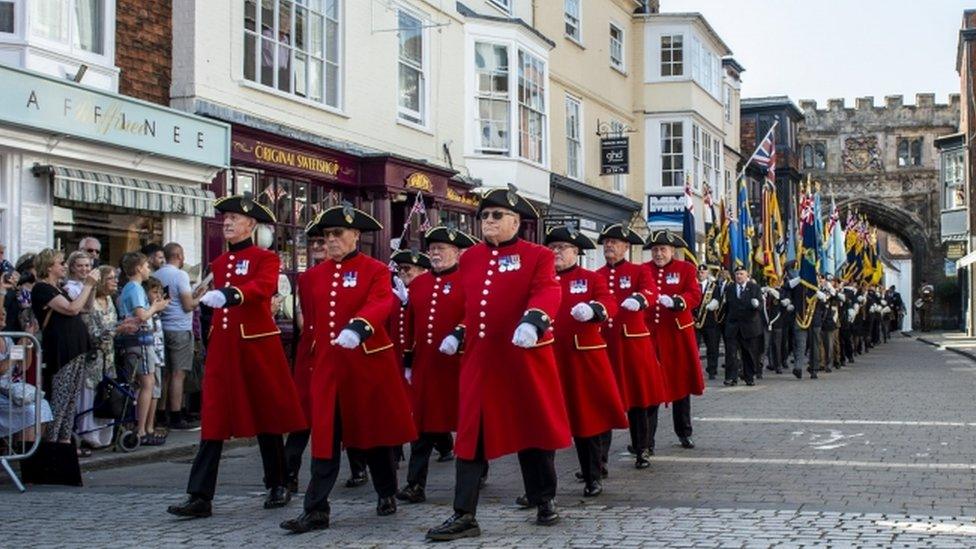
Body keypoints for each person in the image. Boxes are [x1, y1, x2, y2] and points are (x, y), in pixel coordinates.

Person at [426, 186, 571, 541]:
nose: (488, 221)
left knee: (532, 429)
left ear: (515, 222)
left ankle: (544, 498)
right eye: (484, 216)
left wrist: (533, 321)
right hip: (481, 359)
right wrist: (457, 333)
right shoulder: (471, 258)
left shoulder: (536, 255)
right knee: (471, 434)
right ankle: (464, 514)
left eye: (496, 215)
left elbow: (548, 290)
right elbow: (470, 306)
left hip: (522, 355)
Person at [167, 193, 306, 519]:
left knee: (267, 415)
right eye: (224, 218)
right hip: (224, 348)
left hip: (256, 346)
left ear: (251, 224)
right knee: (213, 418)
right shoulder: (219, 262)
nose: (227, 223)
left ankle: (279, 483)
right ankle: (199, 495)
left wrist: (231, 294)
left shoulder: (266, 258)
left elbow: (263, 287)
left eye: (234, 219)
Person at [280, 203, 417, 533]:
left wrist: (359, 326)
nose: (331, 240)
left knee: (373, 437)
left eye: (338, 234)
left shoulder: (375, 270)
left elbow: (383, 302)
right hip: (327, 369)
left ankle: (386, 492)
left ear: (355, 235)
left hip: (367, 367)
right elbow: (310, 327)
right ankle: (316, 509)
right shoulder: (311, 278)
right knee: (325, 438)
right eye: (327, 235)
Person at [395, 226, 477, 505]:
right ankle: (415, 484)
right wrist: (407, 359)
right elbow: (409, 325)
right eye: (432, 249)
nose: (435, 253)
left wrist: (460, 333)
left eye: (441, 249)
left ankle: (478, 472)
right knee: (421, 426)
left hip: (459, 363)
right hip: (427, 366)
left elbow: (475, 317)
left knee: (467, 422)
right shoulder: (418, 284)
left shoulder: (469, 281)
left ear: (456, 252)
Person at [545, 225, 627, 497]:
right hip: (547, 357)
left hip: (581, 358)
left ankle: (593, 476)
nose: (556, 252)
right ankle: (541, 488)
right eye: (553, 247)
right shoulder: (541, 278)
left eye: (562, 248)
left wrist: (594, 310)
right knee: (544, 424)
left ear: (575, 252)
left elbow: (609, 303)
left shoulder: (591, 278)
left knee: (586, 420)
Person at [596, 223, 668, 468]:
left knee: (639, 398)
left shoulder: (639, 272)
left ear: (626, 247)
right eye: (606, 242)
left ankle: (642, 447)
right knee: (604, 400)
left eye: (614, 242)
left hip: (633, 345)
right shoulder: (597, 275)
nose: (609, 246)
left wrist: (640, 299)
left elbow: (651, 291)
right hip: (606, 345)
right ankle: (599, 459)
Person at [31, 249, 100, 450]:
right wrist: (87, 284)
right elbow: (71, 309)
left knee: (71, 400)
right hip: (62, 349)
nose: (64, 266)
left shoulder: (60, 288)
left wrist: (92, 287)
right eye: (60, 262)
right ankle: (52, 445)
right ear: (49, 266)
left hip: (77, 347)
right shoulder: (42, 289)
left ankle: (65, 441)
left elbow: (85, 307)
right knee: (60, 398)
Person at [644, 230, 704, 450]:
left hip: (677, 335)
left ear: (672, 251)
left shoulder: (686, 269)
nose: (658, 254)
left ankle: (684, 431)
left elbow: (695, 295)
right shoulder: (644, 270)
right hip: (650, 335)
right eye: (655, 250)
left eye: (663, 249)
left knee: (681, 385)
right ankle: (646, 440)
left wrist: (678, 301)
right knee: (650, 386)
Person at [77, 266, 140, 448]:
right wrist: (117, 329)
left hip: (109, 356)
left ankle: (105, 436)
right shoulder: (91, 302)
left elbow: (111, 326)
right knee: (91, 395)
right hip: (93, 357)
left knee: (108, 395)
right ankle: (88, 436)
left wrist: (123, 325)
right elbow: (92, 333)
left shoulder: (109, 301)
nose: (115, 281)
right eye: (111, 278)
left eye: (115, 278)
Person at [283, 234, 327, 493]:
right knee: (301, 421)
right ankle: (289, 475)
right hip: (309, 357)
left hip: (337, 356)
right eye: (316, 242)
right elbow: (302, 318)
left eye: (324, 240)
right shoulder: (308, 278)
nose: (320, 246)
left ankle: (362, 469)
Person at [118, 253, 170, 447]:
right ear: (139, 268)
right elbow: (141, 316)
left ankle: (142, 428)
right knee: (147, 383)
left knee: (144, 384)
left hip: (136, 341)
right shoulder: (135, 288)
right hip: (139, 340)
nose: (149, 269)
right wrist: (156, 307)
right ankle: (141, 430)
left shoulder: (131, 288)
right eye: (147, 266)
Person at [155, 242, 204, 430]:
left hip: (162, 327)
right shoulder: (180, 274)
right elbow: (187, 305)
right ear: (179, 256)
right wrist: (199, 298)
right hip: (179, 327)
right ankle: (176, 415)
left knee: (165, 373)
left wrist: (193, 294)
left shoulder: (156, 274)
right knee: (178, 373)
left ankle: (161, 413)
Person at [720, 266, 763, 386]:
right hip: (733, 325)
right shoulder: (730, 288)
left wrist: (757, 304)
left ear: (747, 275)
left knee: (748, 353)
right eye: (737, 274)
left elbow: (760, 305)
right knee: (731, 353)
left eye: (741, 274)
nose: (739, 276)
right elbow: (726, 306)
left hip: (749, 326)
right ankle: (731, 377)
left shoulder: (754, 287)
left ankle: (749, 377)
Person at [695, 264, 724, 380]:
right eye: (699, 272)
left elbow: (718, 299)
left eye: (703, 272)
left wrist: (714, 304)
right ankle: (695, 370)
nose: (701, 274)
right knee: (694, 347)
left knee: (712, 346)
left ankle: (712, 370)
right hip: (695, 321)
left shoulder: (714, 287)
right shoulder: (693, 285)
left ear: (707, 274)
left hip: (710, 322)